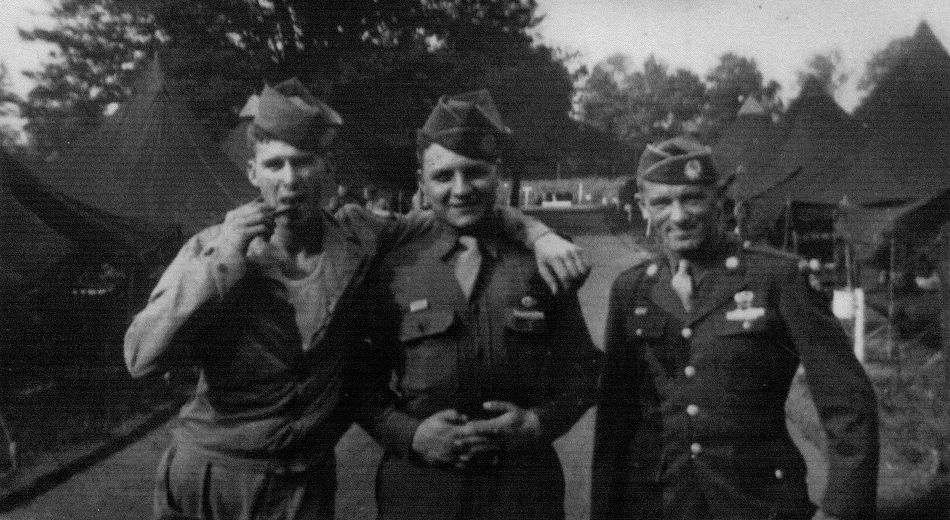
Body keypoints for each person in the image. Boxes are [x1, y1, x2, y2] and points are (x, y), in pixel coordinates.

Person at [124, 79, 588, 520]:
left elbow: (460, 208)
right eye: (274, 164)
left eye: (304, 162)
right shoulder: (211, 248)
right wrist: (224, 259)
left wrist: (539, 231)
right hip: (212, 473)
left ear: (326, 168)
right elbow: (141, 358)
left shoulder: (360, 235)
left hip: (302, 480)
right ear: (252, 172)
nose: (291, 180)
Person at [590, 136, 879, 520]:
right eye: (662, 202)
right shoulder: (631, 289)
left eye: (692, 198)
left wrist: (841, 511)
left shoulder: (776, 278)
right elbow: (615, 421)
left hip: (759, 503)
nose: (678, 216)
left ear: (719, 201)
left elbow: (849, 405)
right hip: (661, 505)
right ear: (643, 207)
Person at [359, 90, 602, 520]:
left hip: (522, 492)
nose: (460, 189)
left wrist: (537, 424)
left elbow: (583, 372)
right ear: (421, 183)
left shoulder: (539, 264)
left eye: (475, 173)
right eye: (443, 176)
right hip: (419, 492)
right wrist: (412, 435)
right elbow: (357, 382)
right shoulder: (391, 267)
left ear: (498, 175)